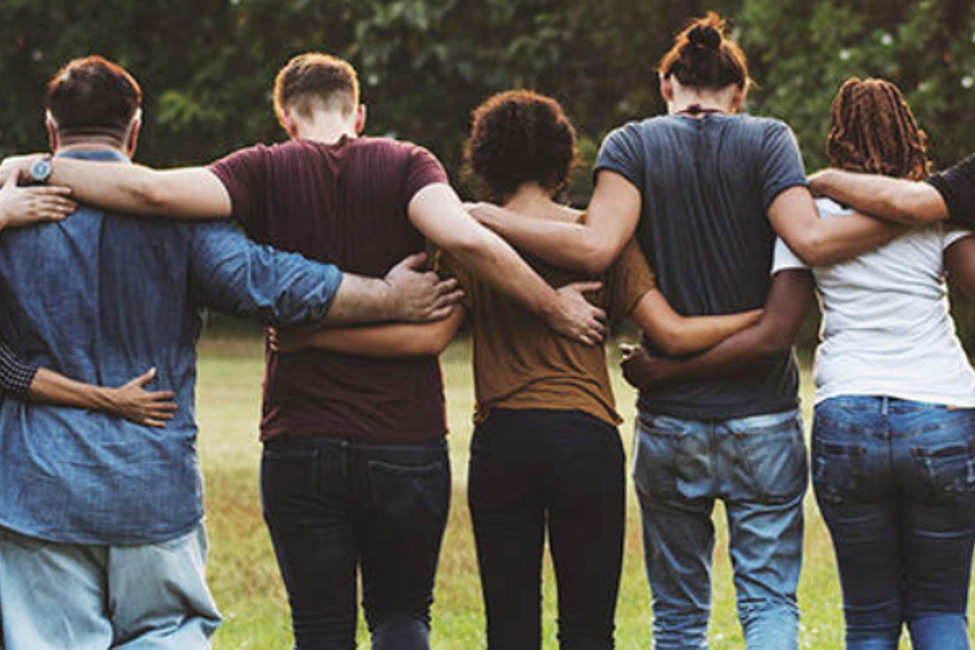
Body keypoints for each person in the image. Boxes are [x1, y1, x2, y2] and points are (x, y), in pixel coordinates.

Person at [0, 52, 606, 650]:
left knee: (317, 631)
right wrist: (538, 304)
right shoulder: (407, 164)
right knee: (396, 617)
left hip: (263, 443)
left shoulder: (255, 169)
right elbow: (442, 241)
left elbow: (155, 193)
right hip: (372, 443)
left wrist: (33, 167)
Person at [464, 14, 904, 650]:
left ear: (666, 85)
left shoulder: (630, 145)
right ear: (740, 92)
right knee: (769, 603)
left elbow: (596, 245)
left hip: (670, 421)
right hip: (762, 414)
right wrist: (920, 207)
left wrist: (480, 215)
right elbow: (806, 240)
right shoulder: (770, 139)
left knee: (676, 618)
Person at [274, 89, 763, 649]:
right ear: (562, 159)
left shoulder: (471, 241)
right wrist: (763, 317)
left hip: (504, 442)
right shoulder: (599, 237)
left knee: (510, 631)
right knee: (588, 631)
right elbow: (671, 332)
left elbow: (428, 338)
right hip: (586, 440)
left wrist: (315, 335)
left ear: (484, 160)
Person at [624, 77, 975, 649]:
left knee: (870, 617)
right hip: (942, 413)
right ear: (910, 133)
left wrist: (670, 367)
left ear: (836, 139)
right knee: (940, 609)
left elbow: (777, 328)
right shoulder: (938, 208)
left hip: (848, 414)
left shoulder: (806, 218)